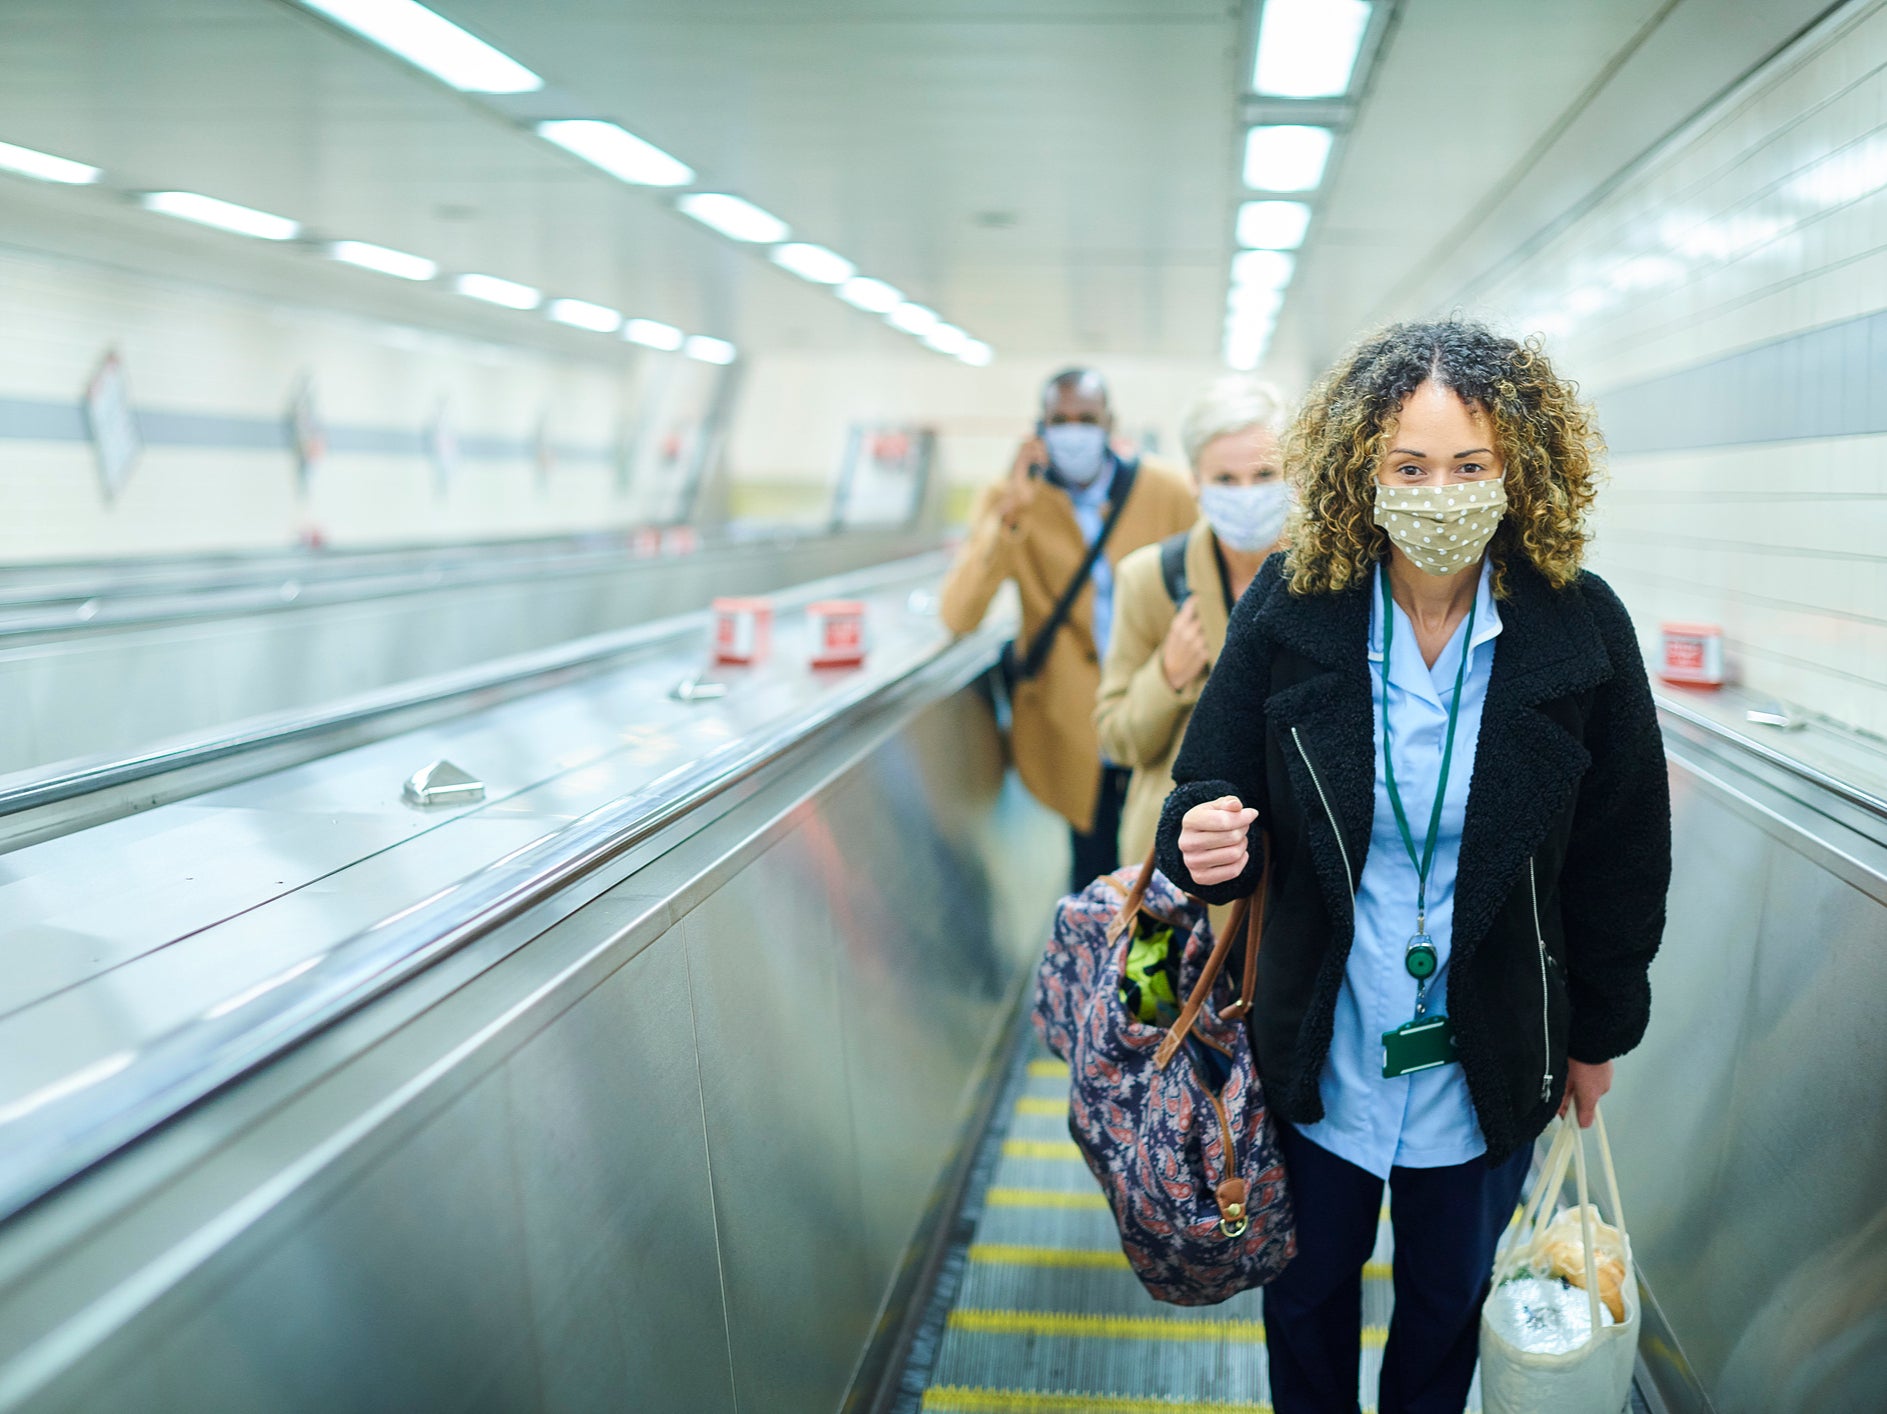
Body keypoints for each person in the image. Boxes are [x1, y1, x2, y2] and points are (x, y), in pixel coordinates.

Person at [1154, 321, 1672, 1414]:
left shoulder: (1579, 630)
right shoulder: (1298, 606)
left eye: (1471, 465)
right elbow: (1203, 782)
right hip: (1321, 1042)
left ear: (1517, 469)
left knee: (1443, 1314)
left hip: (1488, 1046)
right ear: (1363, 471)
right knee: (1305, 1303)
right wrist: (1204, 834)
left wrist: (1597, 1034)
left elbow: (1622, 854)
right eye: (1412, 466)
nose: (1442, 491)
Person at [941, 368, 1195, 891]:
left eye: (1086, 419)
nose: (1073, 432)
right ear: (1039, 429)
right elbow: (960, 614)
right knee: (1094, 876)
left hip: (1159, 711)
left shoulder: (1164, 491)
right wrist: (1011, 510)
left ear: (1110, 425)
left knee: (1167, 873)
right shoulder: (1014, 501)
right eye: (1060, 421)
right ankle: (1097, 970)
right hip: (1072, 725)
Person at [1095, 376, 1290, 868]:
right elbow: (1117, 739)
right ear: (1195, 484)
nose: (1246, 493)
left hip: (1294, 861)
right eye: (1225, 479)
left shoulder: (1330, 580)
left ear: (1296, 475)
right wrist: (1167, 675)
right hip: (1179, 867)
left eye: (1264, 475)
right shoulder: (1151, 580)